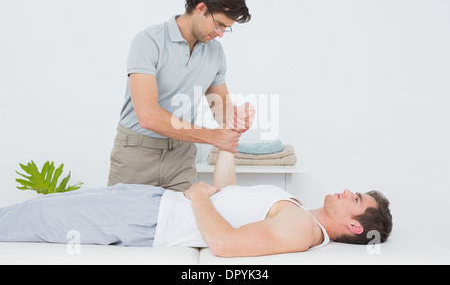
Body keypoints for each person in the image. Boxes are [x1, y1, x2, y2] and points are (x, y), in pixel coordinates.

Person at [0, 151, 392, 257]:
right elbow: (228, 197)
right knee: (41, 209)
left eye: (355, 199)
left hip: (148, 221)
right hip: (150, 204)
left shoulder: (301, 228)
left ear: (356, 226)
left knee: (36, 215)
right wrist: (227, 147)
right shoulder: (298, 209)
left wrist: (200, 195)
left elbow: (224, 245)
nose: (345, 191)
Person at [109, 0, 253, 191]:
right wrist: (214, 137)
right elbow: (148, 116)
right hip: (136, 154)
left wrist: (235, 118)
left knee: (182, 222)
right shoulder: (148, 41)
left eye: (226, 29)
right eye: (219, 24)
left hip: (181, 159)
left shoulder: (215, 52)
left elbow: (220, 108)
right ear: (201, 8)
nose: (221, 34)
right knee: (123, 222)